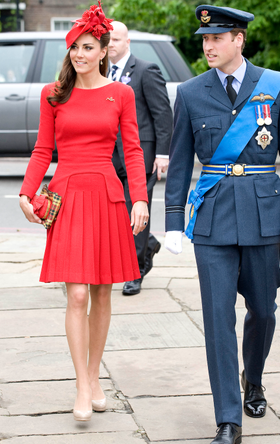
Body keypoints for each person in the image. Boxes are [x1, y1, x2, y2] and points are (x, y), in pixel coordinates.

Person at [164, 5, 280, 444]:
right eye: (205, 40)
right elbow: (181, 161)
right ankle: (228, 418)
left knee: (263, 311)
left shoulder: (276, 86)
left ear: (239, 40)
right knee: (217, 318)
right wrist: (172, 221)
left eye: (218, 39)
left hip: (264, 214)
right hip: (213, 219)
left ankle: (255, 379)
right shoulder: (190, 93)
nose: (208, 46)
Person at [19, 1, 148, 423]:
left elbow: (131, 149)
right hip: (68, 196)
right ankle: (81, 384)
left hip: (108, 197)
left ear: (103, 50)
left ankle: (95, 377)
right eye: (75, 46)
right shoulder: (53, 95)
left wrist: (141, 198)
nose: (80, 54)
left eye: (88, 47)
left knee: (102, 292)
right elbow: (42, 149)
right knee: (75, 293)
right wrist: (26, 192)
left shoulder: (121, 94)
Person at [108, 21, 173, 296]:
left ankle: (134, 272)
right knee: (116, 213)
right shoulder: (99, 73)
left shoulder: (146, 71)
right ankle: (149, 244)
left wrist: (162, 154)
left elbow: (162, 114)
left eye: (115, 40)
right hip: (109, 154)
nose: (110, 44)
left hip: (141, 154)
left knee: (136, 211)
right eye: (106, 40)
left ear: (127, 42)